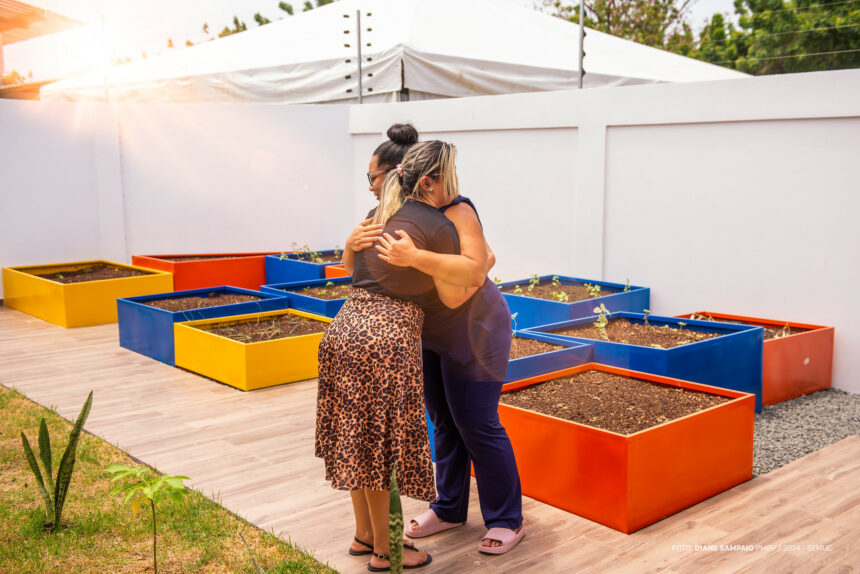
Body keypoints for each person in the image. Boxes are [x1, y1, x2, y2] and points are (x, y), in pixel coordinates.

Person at [316, 134, 473, 572]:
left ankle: (364, 536)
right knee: (381, 449)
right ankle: (388, 552)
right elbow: (453, 297)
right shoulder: (437, 226)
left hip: (344, 329)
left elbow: (354, 271)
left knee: (357, 440)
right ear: (430, 179)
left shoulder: (375, 215)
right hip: (385, 341)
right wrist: (476, 273)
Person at [375, 154, 525, 555]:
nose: (455, 183)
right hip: (432, 329)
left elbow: (483, 262)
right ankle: (448, 509)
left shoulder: (458, 210)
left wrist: (417, 259)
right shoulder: (405, 211)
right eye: (449, 175)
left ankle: (507, 519)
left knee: (477, 423)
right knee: (444, 422)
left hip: (477, 328)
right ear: (427, 181)